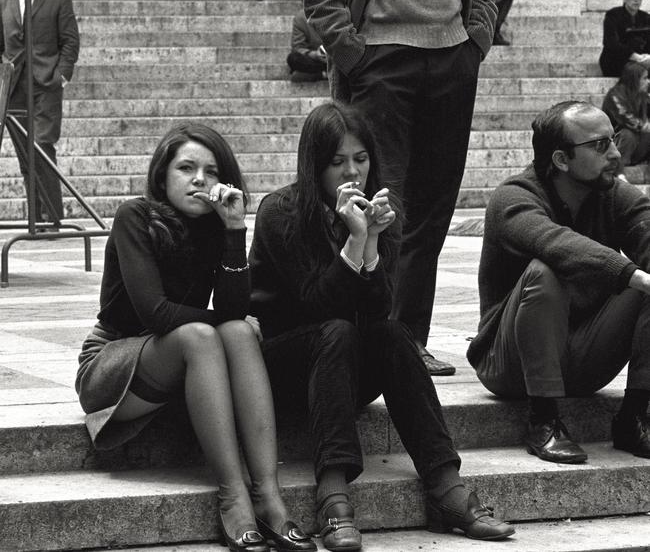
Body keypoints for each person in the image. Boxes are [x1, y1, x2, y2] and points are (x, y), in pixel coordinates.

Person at [299, 0, 497, 377]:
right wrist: (353, 52)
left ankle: (410, 337)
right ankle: (374, 334)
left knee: (434, 205)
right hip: (382, 59)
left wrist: (476, 40)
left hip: (451, 60)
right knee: (389, 201)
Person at [249, 102, 514, 549]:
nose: (351, 172)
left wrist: (370, 238)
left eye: (361, 159)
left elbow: (378, 314)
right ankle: (333, 497)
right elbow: (317, 305)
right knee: (334, 330)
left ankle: (446, 485)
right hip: (284, 372)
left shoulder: (378, 210)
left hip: (344, 368)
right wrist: (355, 241)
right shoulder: (281, 212)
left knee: (392, 334)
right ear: (314, 165)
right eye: (337, 162)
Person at [76, 122, 315, 552]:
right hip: (111, 364)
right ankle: (232, 494)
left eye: (210, 170)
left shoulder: (213, 227)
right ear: (163, 175)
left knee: (238, 332)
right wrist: (219, 320)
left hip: (177, 356)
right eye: (186, 168)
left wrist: (234, 230)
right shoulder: (135, 217)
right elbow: (156, 313)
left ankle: (268, 495)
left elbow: (233, 314)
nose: (199, 179)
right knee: (205, 335)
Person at [467, 100, 650, 465]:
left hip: (583, 360)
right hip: (509, 366)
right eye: (599, 146)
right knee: (545, 271)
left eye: (612, 140)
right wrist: (632, 273)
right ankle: (543, 421)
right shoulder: (513, 198)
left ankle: (635, 416)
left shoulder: (612, 193)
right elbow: (556, 244)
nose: (615, 154)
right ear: (561, 160)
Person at [0, 0, 79, 228]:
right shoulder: (4, 1)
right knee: (24, 155)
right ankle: (35, 216)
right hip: (15, 88)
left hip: (46, 85)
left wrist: (62, 74)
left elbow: (70, 40)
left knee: (42, 146)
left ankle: (52, 216)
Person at [602, 61, 650, 178]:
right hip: (615, 144)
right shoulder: (615, 95)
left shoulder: (643, 96)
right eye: (644, 78)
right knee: (628, 134)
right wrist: (644, 125)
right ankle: (618, 172)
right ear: (634, 79)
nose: (648, 81)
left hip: (637, 146)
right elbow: (625, 118)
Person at [599, 0, 650, 78]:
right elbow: (611, 42)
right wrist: (635, 56)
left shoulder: (646, 17)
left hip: (641, 60)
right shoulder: (613, 15)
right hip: (615, 61)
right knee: (636, 71)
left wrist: (646, 57)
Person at [287, 9, 327, 82]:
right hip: (317, 60)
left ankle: (321, 75)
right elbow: (297, 48)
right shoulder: (301, 17)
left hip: (338, 59)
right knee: (293, 58)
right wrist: (315, 55)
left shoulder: (341, 12)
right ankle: (325, 74)